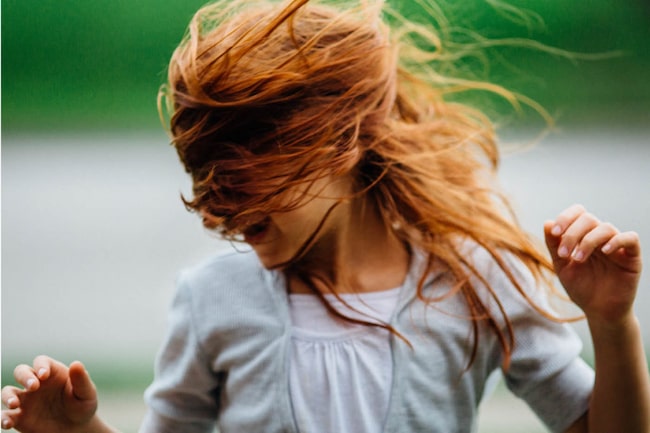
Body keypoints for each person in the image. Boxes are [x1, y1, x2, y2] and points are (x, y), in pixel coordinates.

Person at [2, 0, 649, 432]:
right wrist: (81, 429)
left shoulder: (474, 281)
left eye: (242, 170)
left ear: (341, 143)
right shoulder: (209, 300)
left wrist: (611, 322)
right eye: (202, 170)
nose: (216, 201)